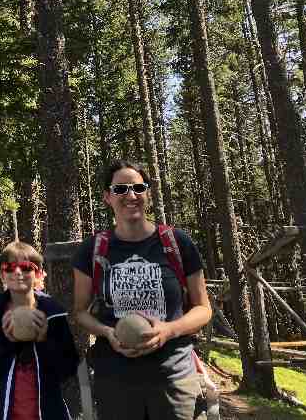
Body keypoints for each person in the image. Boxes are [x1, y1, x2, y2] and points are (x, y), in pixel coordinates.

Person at [72, 160, 212, 420]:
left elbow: (203, 309)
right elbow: (80, 311)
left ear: (148, 194)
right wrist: (108, 332)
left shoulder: (177, 242)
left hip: (173, 377)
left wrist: (169, 330)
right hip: (115, 380)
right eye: (121, 189)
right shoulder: (92, 249)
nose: (131, 195)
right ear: (107, 197)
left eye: (138, 187)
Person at [0, 241, 79, 419]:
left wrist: (45, 339)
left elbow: (68, 367)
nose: (18, 272)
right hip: (3, 413)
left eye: (26, 267)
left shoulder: (54, 314)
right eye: (10, 267)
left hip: (48, 413)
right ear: (2, 275)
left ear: (37, 274)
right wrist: (6, 342)